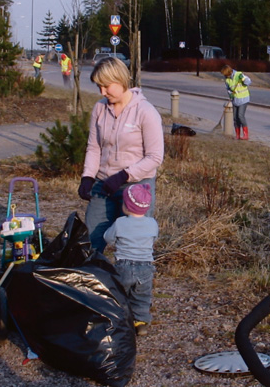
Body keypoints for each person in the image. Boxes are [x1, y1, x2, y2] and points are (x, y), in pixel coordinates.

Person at [77, 56, 164, 253]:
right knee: (92, 242)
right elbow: (94, 147)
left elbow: (155, 157)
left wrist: (123, 176)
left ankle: (132, 282)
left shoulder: (146, 112)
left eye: (106, 86)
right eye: (99, 86)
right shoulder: (100, 108)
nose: (102, 92)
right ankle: (96, 279)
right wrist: (88, 177)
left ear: (121, 79)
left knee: (133, 247)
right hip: (104, 184)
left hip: (136, 188)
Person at [103, 183, 158, 337]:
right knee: (142, 296)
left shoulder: (120, 223)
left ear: (126, 206)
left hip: (124, 265)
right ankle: (141, 323)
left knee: (120, 295)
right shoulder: (152, 223)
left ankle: (120, 321)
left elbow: (108, 238)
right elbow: (154, 239)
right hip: (146, 267)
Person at [221, 64, 252, 140]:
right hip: (235, 100)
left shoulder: (239, 75)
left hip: (244, 99)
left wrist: (243, 79)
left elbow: (248, 82)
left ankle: (245, 135)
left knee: (240, 116)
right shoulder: (227, 80)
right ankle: (237, 135)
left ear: (229, 72)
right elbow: (228, 89)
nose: (225, 76)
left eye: (226, 75)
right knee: (235, 118)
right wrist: (230, 94)